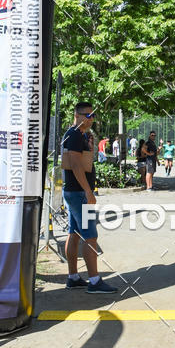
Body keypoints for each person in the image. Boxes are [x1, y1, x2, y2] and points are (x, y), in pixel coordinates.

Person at [61, 102, 116, 293]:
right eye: (89, 115)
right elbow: (76, 165)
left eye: (93, 115)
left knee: (74, 233)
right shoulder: (75, 135)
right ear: (78, 115)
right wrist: (88, 191)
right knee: (91, 236)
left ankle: (73, 277)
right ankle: (94, 281)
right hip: (78, 193)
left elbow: (81, 162)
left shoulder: (77, 135)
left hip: (74, 191)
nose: (92, 119)